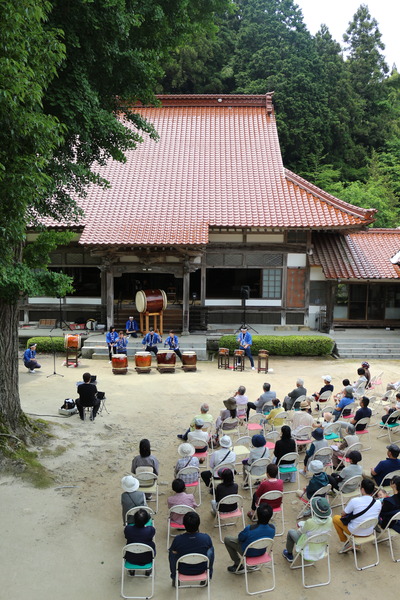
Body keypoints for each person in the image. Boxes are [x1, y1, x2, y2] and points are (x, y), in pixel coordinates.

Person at [333, 478, 381, 552]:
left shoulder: (355, 501)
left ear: (362, 489)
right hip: (369, 531)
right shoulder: (378, 503)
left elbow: (343, 513)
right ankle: (356, 545)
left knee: (336, 518)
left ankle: (346, 542)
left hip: (355, 531)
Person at [224, 503, 275, 573]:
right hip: (261, 551)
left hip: (247, 552)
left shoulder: (250, 529)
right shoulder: (273, 528)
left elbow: (240, 538)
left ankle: (237, 564)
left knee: (227, 539)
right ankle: (252, 565)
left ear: (257, 515)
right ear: (271, 516)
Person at [282, 496, 332, 562]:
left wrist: (301, 524)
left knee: (291, 532)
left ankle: (289, 554)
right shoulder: (330, 520)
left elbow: (301, 532)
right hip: (320, 551)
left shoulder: (310, 522)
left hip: (307, 550)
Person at [169, 512, 214, 583]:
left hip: (183, 570)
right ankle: (208, 574)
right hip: (201, 569)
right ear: (198, 524)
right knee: (211, 549)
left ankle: (175, 577)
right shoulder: (206, 538)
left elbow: (172, 557)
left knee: (172, 553)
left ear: (184, 524)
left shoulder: (178, 539)